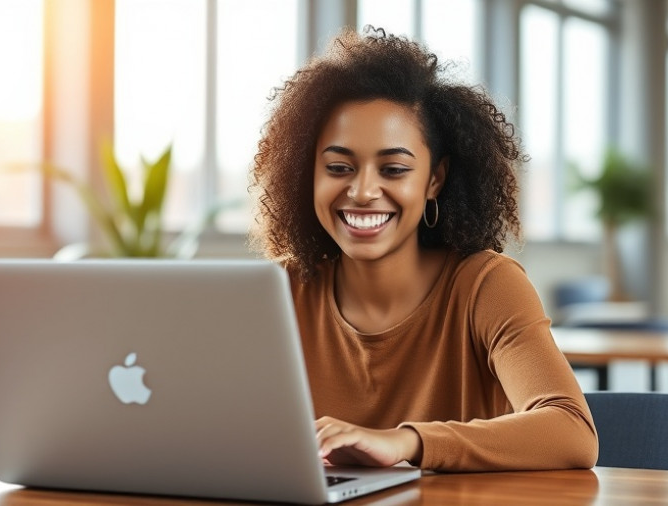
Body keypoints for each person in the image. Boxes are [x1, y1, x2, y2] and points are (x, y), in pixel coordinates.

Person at [249, 27, 597, 472]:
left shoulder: (485, 286)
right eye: (338, 167)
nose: (362, 191)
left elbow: (572, 431)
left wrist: (406, 441)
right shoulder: (280, 291)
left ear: (435, 179)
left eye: (393, 169)